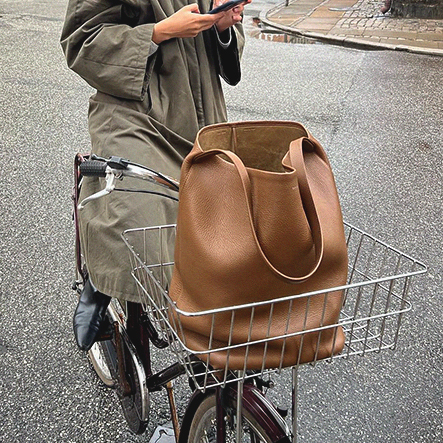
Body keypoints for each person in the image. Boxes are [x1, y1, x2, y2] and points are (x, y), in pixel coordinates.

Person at [60, 0, 249, 351]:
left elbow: (228, 47)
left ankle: (211, 339)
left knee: (230, 227)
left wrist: (223, 26)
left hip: (203, 119)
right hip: (135, 115)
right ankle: (101, 282)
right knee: (135, 213)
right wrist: (160, 32)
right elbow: (82, 40)